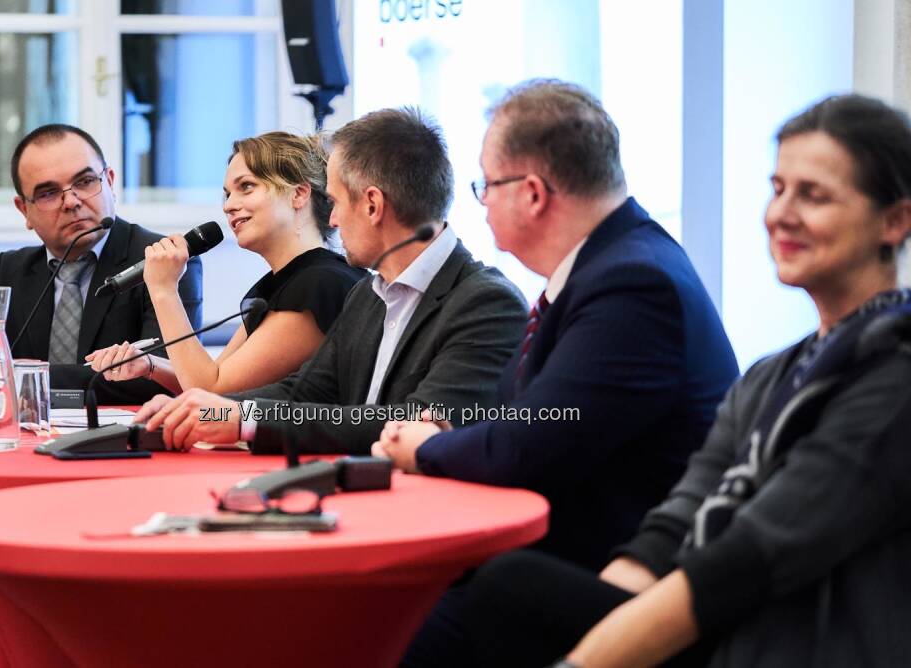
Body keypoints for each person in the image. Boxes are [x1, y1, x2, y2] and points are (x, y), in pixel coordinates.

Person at [455, 93, 911, 668]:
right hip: (722, 612)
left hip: (791, 638)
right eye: (777, 190)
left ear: (894, 220)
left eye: (813, 195)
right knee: (510, 591)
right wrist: (601, 612)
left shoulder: (896, 370)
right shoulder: (774, 373)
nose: (780, 215)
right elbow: (681, 518)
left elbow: (757, 554)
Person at [376, 80, 739, 667]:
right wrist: (454, 439)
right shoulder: (606, 267)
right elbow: (522, 420)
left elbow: (527, 445)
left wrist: (426, 449)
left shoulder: (631, 284)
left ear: (534, 193)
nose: (482, 202)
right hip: (562, 558)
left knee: (385, 633)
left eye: (486, 186)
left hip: (617, 588)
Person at [134, 107, 527, 455]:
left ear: (372, 205)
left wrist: (240, 418)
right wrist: (217, 410)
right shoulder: (367, 296)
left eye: (336, 203)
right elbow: (306, 392)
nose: (333, 221)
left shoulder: (486, 303)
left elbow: (412, 426)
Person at [84, 132, 366, 395]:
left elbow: (213, 391)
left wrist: (164, 290)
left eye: (246, 187)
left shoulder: (320, 284)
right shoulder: (285, 281)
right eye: (227, 194)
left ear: (299, 194)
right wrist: (149, 365)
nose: (228, 205)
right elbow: (215, 376)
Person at [0, 123, 203, 405]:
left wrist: (19, 377)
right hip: (31, 435)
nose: (71, 201)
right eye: (48, 193)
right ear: (24, 209)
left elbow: (160, 374)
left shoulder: (162, 259)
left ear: (110, 183)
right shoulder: (12, 270)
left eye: (84, 182)